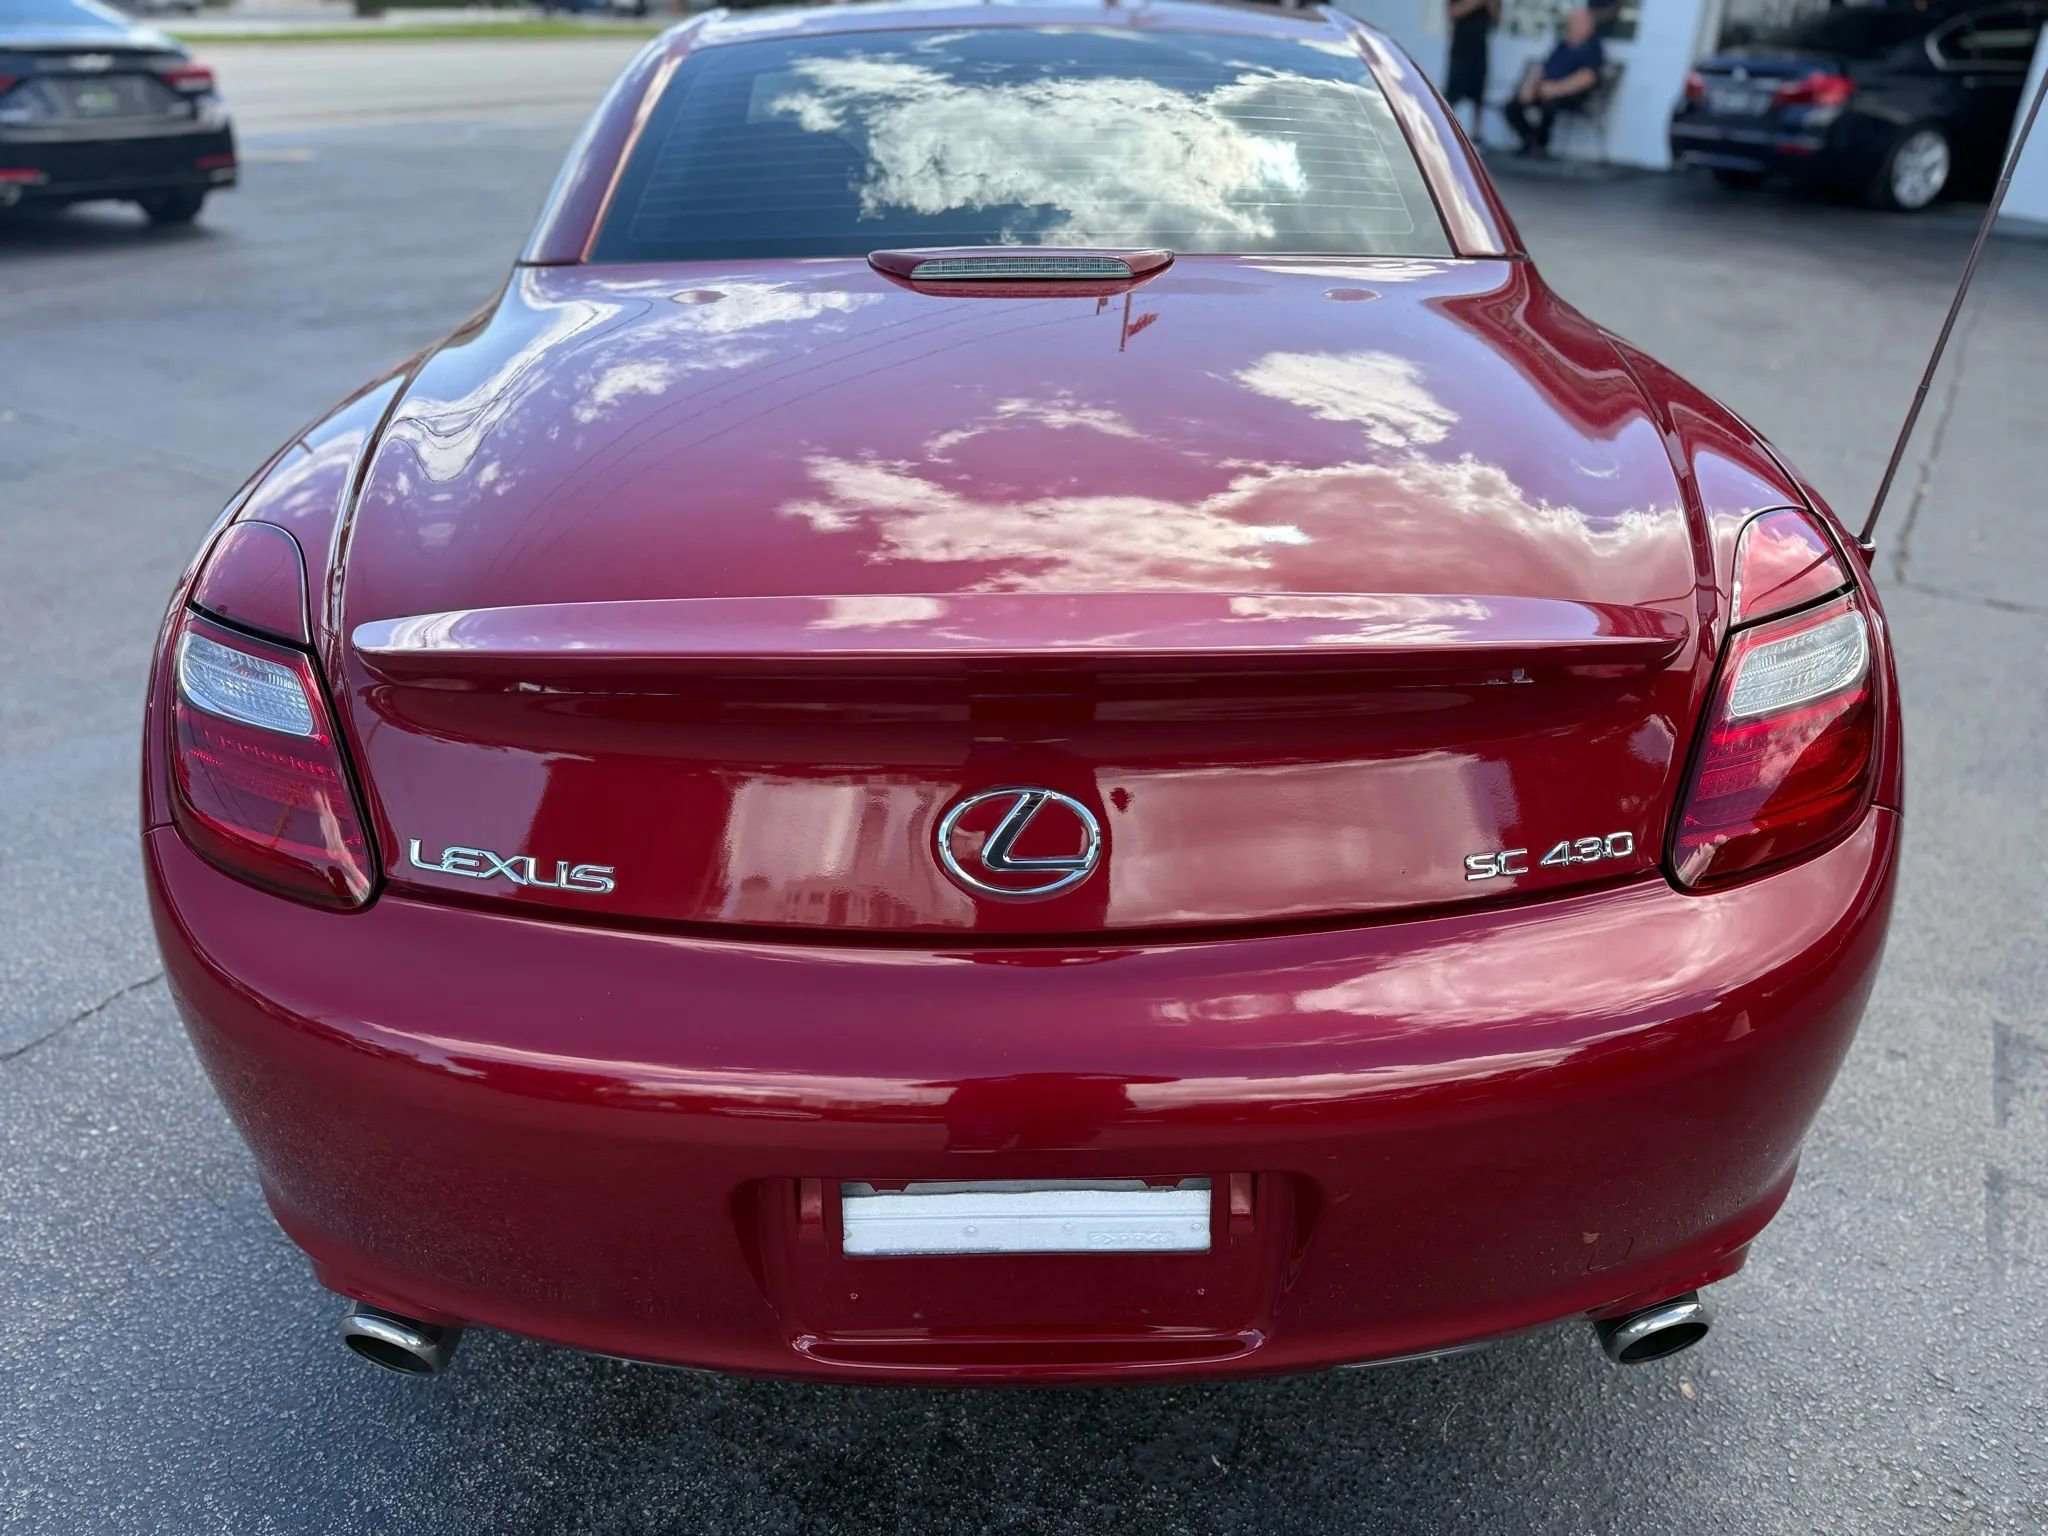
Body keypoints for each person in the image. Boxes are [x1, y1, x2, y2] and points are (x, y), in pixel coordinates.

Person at [1505, 8, 1606, 157]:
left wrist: (1556, 89)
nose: (1575, 26)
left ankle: (1540, 144)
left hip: (1571, 95)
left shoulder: (1593, 47)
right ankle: (1530, 141)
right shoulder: (1563, 45)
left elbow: (1587, 77)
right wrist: (1529, 86)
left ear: (1590, 25)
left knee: (1549, 106)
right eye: (1574, 22)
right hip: (1546, 89)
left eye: (1580, 23)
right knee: (1512, 106)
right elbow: (1542, 67)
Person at [1443, 0, 1500, 139]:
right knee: (1452, 92)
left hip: (1480, 48)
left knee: (1478, 94)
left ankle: (1477, 134)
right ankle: (1445, 129)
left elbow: (1496, 19)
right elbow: (1452, 12)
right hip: (1460, 48)